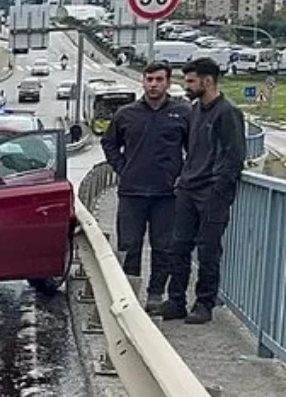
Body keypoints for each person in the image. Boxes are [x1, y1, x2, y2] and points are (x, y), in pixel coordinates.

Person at [100, 61, 191, 314]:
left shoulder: (183, 113)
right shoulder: (126, 114)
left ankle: (155, 294)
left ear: (168, 82)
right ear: (143, 81)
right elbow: (109, 143)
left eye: (159, 79)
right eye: (149, 79)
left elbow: (194, 149)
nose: (153, 84)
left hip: (167, 195)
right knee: (129, 246)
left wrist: (182, 175)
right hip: (132, 193)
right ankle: (129, 295)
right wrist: (122, 168)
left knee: (164, 248)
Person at [161, 57, 247, 324]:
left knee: (208, 250)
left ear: (207, 80)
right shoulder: (195, 109)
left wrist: (219, 189)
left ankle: (204, 303)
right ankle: (176, 301)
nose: (186, 86)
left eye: (190, 81)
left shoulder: (228, 112)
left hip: (212, 191)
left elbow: (234, 156)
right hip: (188, 188)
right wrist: (183, 179)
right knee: (178, 247)